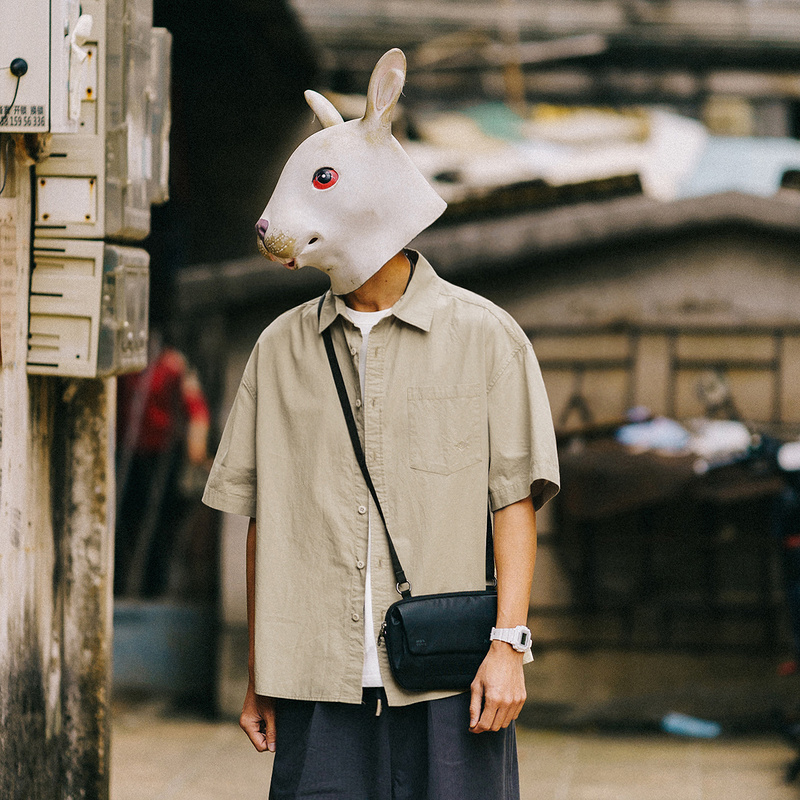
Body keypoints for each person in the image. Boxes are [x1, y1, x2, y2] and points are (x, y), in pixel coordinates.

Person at [202, 49, 559, 799]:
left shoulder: (486, 337)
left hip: (449, 679)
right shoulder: (279, 349)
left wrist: (508, 648)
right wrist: (260, 671)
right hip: (313, 682)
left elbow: (512, 506)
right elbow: (266, 518)